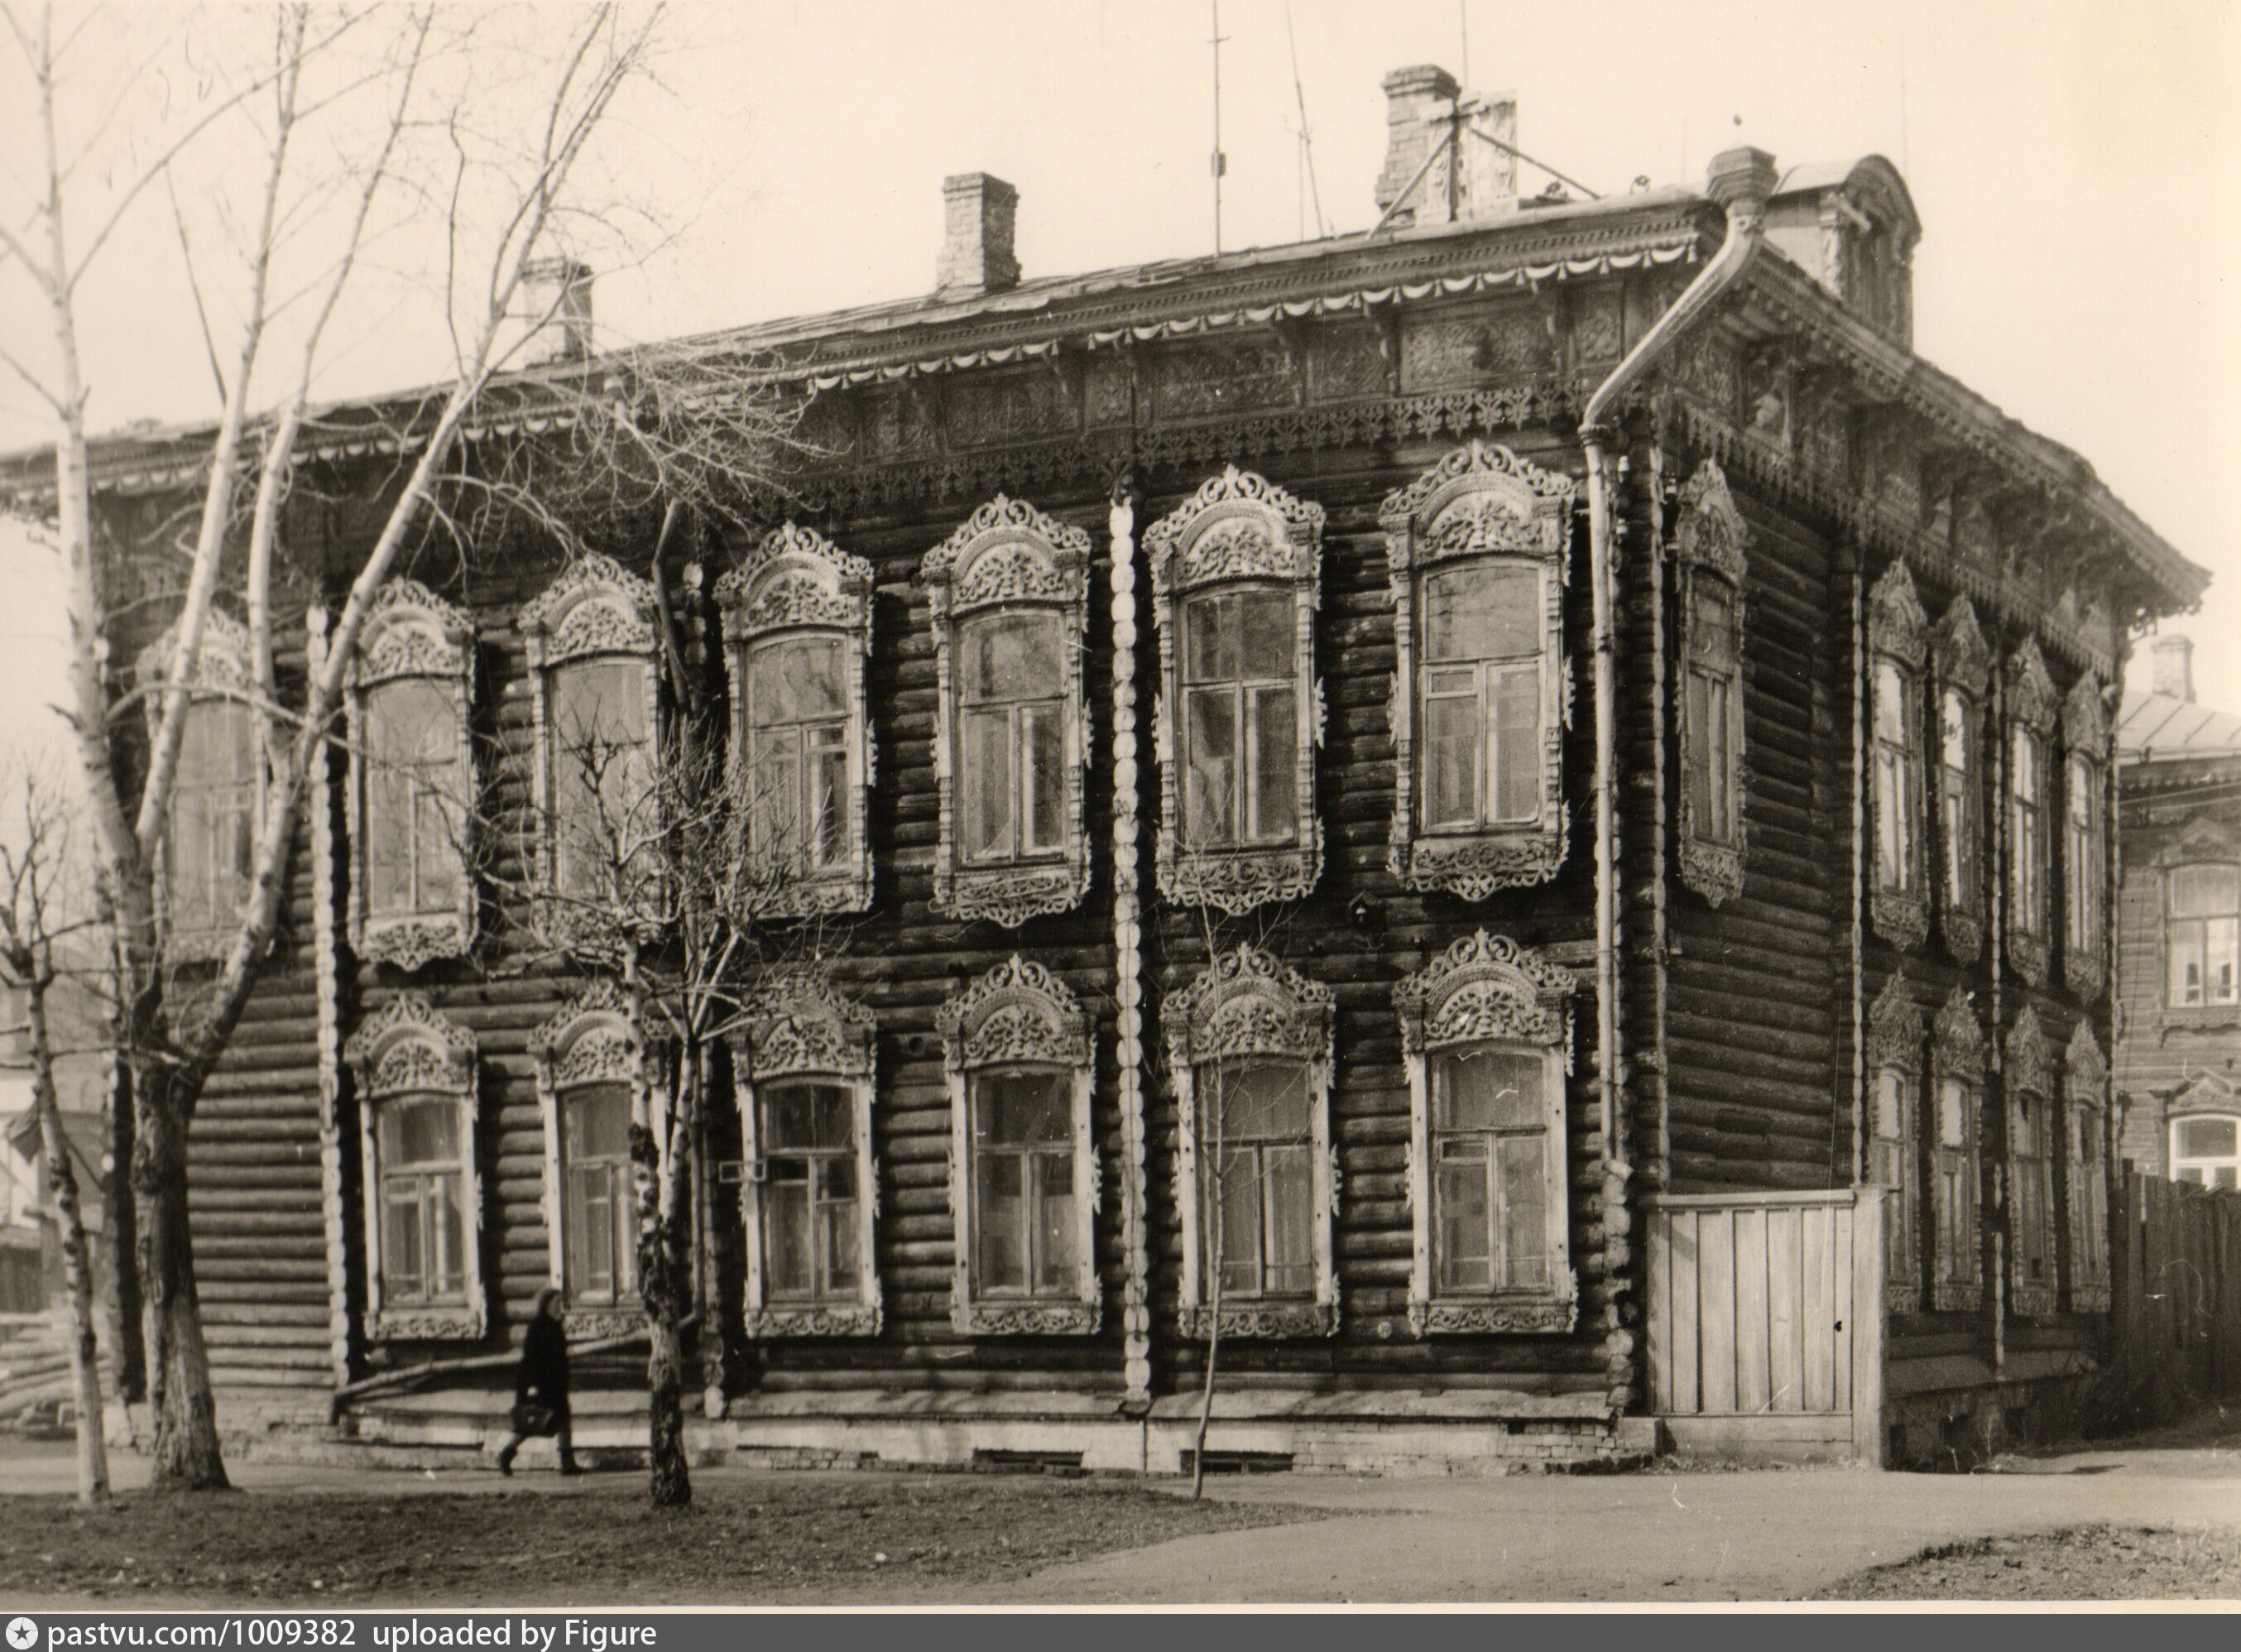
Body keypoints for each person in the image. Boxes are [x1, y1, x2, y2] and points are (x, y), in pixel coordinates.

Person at [496, 1287, 579, 1475]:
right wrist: (532, 1387)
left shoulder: (555, 1325)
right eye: (557, 1303)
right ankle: (505, 1455)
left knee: (563, 1421)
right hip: (540, 1384)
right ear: (546, 1305)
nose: (561, 1307)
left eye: (561, 1303)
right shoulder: (538, 1326)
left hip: (555, 1385)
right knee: (531, 1424)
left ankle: (568, 1464)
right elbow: (531, 1359)